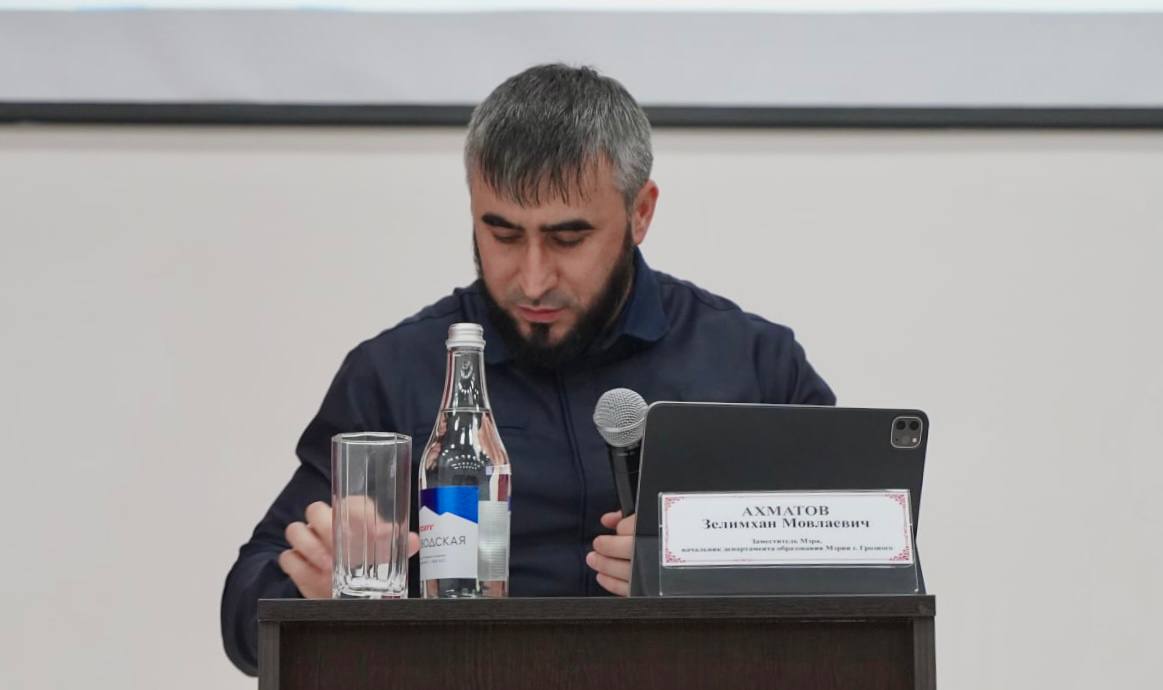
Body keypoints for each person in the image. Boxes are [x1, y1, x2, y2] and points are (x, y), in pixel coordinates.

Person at [221, 63, 835, 675]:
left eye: (568, 239)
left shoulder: (753, 364)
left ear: (641, 212)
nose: (534, 280)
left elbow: (862, 558)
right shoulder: (395, 373)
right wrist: (311, 587)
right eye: (504, 236)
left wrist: (713, 561)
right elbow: (245, 621)